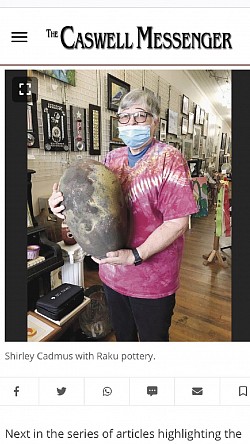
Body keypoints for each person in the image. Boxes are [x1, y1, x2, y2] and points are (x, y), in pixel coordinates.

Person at [49, 88, 197, 342]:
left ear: (155, 122)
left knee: (153, 343)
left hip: (152, 279)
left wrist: (136, 256)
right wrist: (62, 207)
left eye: (140, 116)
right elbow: (96, 206)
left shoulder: (169, 159)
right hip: (113, 273)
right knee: (124, 339)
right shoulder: (112, 158)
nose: (131, 123)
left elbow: (177, 222)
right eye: (124, 117)